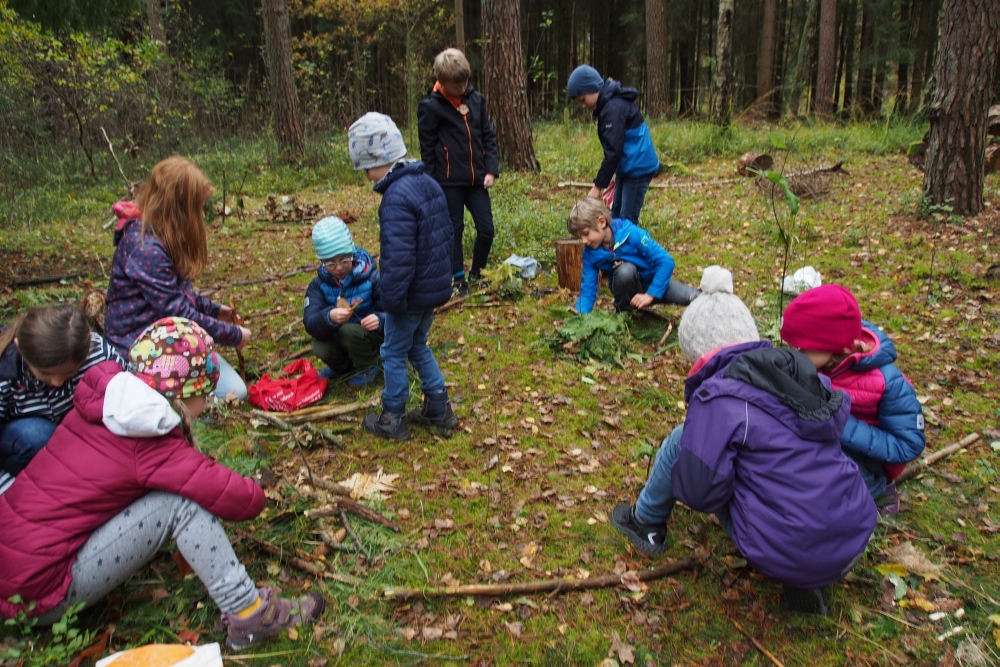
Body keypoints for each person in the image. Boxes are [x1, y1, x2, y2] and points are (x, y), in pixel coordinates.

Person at [0, 318, 325, 648]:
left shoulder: (106, 399)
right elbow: (244, 501)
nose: (208, 403)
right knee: (182, 504)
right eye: (206, 395)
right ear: (187, 394)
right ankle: (249, 614)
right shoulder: (151, 444)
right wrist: (258, 489)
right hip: (38, 596)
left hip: (13, 568)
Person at [610, 267, 876, 614]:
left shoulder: (718, 400)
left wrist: (725, 468)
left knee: (681, 440)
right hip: (853, 534)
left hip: (786, 546)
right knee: (793, 478)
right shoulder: (803, 377)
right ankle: (808, 582)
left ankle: (645, 521)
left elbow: (699, 493)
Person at [347, 112, 457, 441]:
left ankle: (392, 416)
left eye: (365, 169)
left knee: (392, 352)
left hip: (409, 296)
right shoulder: (427, 183)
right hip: (433, 290)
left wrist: (389, 301)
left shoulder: (396, 198)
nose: (367, 177)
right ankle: (439, 407)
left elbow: (398, 259)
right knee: (418, 345)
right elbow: (447, 236)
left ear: (377, 160)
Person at [104, 158, 252, 401]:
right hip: (141, 350)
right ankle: (161, 402)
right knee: (229, 393)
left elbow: (179, 295)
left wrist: (214, 310)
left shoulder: (161, 236)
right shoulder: (145, 248)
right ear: (180, 209)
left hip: (170, 340)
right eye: (197, 209)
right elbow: (179, 315)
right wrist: (233, 335)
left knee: (233, 389)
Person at [780, 284, 925, 515]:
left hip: (868, 461)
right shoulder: (818, 365)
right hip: (828, 442)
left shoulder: (885, 383)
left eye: (799, 348)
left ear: (832, 345)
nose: (792, 355)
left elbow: (908, 445)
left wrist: (840, 424)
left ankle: (880, 488)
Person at [0, 305, 124, 478]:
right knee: (38, 436)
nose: (57, 383)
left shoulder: (98, 354)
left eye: (69, 373)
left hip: (75, 429)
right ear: (19, 348)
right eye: (45, 373)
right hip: (21, 436)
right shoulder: (5, 376)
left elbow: (124, 398)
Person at [417, 48, 500, 296]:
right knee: (453, 229)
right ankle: (458, 279)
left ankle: (478, 272)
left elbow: (487, 135)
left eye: (465, 82)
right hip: (448, 182)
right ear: (442, 82)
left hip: (477, 180)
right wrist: (431, 184)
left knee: (487, 229)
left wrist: (491, 170)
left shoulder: (476, 100)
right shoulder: (430, 108)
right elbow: (427, 149)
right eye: (457, 85)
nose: (463, 88)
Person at [567, 197, 698, 315]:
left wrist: (650, 294)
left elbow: (666, 261)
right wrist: (580, 317)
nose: (583, 241)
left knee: (694, 297)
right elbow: (588, 288)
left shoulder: (632, 234)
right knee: (626, 270)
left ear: (601, 222)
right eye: (580, 237)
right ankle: (623, 313)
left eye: (586, 234)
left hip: (655, 284)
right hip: (628, 289)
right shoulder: (590, 252)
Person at [567, 64, 659, 224]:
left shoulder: (613, 109)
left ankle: (630, 247)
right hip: (627, 167)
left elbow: (613, 151)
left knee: (627, 219)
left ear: (592, 88)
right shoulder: (607, 106)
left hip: (638, 167)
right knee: (616, 214)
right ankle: (616, 247)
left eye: (583, 100)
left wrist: (598, 187)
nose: (583, 105)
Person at [304, 216, 385, 386]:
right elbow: (310, 321)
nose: (339, 267)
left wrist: (379, 319)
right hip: (339, 339)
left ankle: (369, 365)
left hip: (370, 338)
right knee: (320, 346)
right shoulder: (319, 285)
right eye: (331, 263)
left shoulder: (372, 278)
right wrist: (329, 316)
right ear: (322, 262)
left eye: (344, 260)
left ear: (352, 254)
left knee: (349, 331)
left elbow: (393, 311)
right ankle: (342, 367)